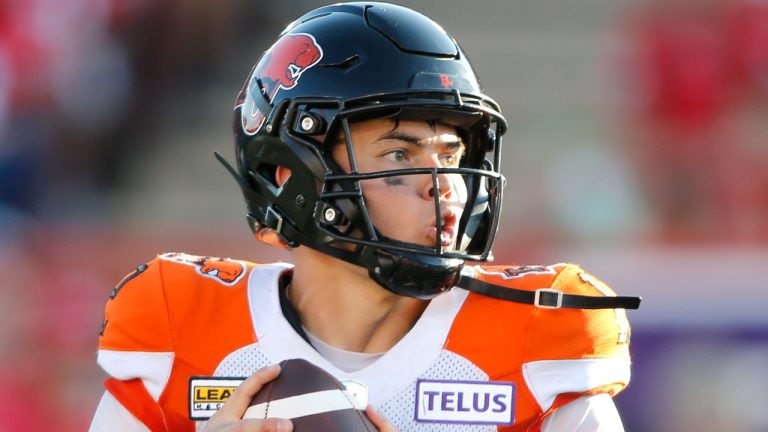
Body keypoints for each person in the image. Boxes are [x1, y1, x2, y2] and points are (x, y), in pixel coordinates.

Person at [90, 2, 639, 431]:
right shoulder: (183, 327)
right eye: (400, 155)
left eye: (449, 154)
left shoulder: (536, 342)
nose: (442, 185)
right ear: (292, 177)